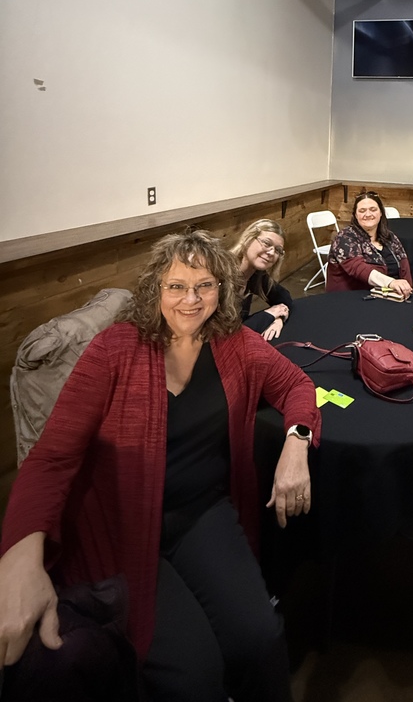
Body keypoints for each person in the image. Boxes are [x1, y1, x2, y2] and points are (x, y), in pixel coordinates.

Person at [0, 229, 321, 702]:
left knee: (261, 638)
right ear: (156, 289)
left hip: (204, 514)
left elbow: (296, 385)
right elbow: (52, 457)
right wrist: (19, 560)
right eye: (177, 286)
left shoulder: (235, 343)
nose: (191, 299)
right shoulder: (114, 349)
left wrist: (297, 442)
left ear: (221, 289)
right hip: (124, 525)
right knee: (193, 677)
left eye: (205, 285)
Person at [325, 190, 413, 297]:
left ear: (381, 213)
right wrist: (391, 283)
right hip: (353, 297)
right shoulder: (345, 237)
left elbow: (404, 264)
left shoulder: (390, 237)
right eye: (362, 211)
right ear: (355, 215)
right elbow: (359, 269)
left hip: (390, 295)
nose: (368, 214)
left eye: (373, 209)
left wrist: (407, 290)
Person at [231, 218, 292, 339]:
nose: (271, 252)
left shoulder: (256, 275)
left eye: (278, 250)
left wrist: (278, 318)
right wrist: (270, 314)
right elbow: (229, 337)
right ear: (248, 239)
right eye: (267, 243)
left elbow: (284, 298)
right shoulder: (220, 277)